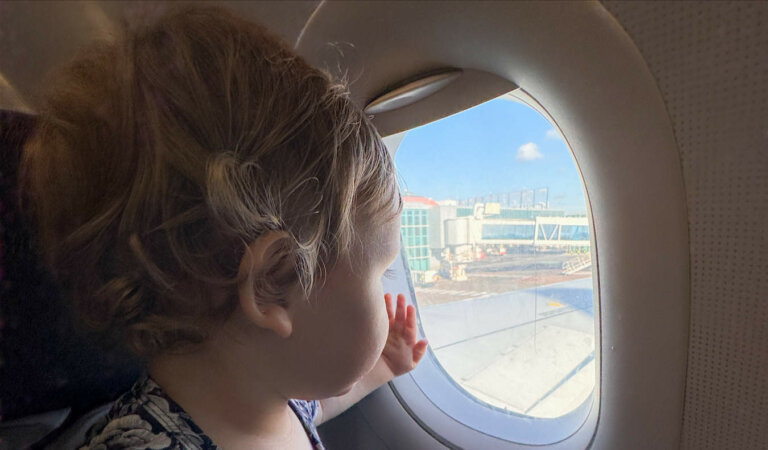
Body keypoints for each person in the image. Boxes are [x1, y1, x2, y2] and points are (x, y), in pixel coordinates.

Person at [20, 4, 428, 449]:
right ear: (273, 284)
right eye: (382, 271)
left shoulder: (272, 399)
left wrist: (384, 366)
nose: (388, 293)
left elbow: (318, 409)